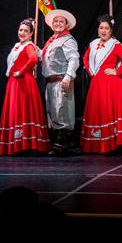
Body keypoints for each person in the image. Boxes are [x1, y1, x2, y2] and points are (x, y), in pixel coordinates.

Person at [79, 14, 122, 153]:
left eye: (106, 28)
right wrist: (91, 72)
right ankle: (97, 143)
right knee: (98, 111)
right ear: (98, 30)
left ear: (111, 31)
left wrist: (117, 71)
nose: (103, 31)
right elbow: (85, 58)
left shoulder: (115, 45)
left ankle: (111, 143)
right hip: (96, 83)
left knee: (108, 111)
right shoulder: (93, 44)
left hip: (111, 84)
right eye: (101, 28)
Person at [0, 19, 51, 155]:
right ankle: (18, 143)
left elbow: (33, 59)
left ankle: (26, 144)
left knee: (23, 110)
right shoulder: (17, 46)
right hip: (14, 82)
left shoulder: (29, 46)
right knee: (16, 111)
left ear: (31, 34)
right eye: (20, 30)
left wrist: (21, 71)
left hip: (24, 82)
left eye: (26, 31)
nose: (22, 33)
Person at [40, 8, 80, 156]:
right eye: (55, 21)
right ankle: (58, 142)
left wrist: (68, 76)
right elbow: (44, 57)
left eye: (61, 21)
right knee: (53, 112)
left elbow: (74, 59)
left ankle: (62, 143)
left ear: (66, 24)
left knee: (62, 111)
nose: (58, 23)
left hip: (61, 80)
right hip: (51, 82)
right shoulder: (52, 40)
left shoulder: (68, 40)